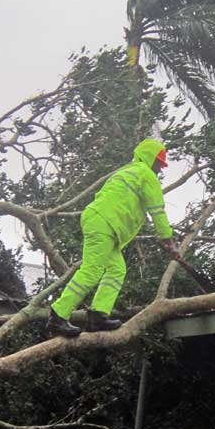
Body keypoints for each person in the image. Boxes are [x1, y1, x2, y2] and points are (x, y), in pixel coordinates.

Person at [46, 138, 177, 337]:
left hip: (102, 222)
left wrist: (165, 238)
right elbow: (157, 210)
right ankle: (58, 315)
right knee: (91, 270)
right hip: (104, 223)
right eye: (159, 162)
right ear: (149, 158)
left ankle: (98, 316)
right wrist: (168, 239)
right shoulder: (145, 175)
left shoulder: (127, 172)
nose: (160, 168)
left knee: (117, 269)